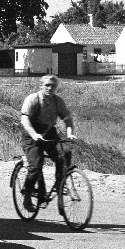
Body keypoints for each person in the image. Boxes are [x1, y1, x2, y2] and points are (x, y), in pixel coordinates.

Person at [20, 74, 76, 212]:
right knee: (36, 165)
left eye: (53, 86)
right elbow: (25, 120)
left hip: (49, 132)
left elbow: (67, 119)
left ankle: (59, 183)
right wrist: (34, 135)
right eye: (47, 85)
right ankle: (27, 196)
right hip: (31, 135)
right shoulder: (33, 99)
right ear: (41, 86)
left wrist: (70, 133)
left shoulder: (58, 101)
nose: (50, 88)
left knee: (65, 153)